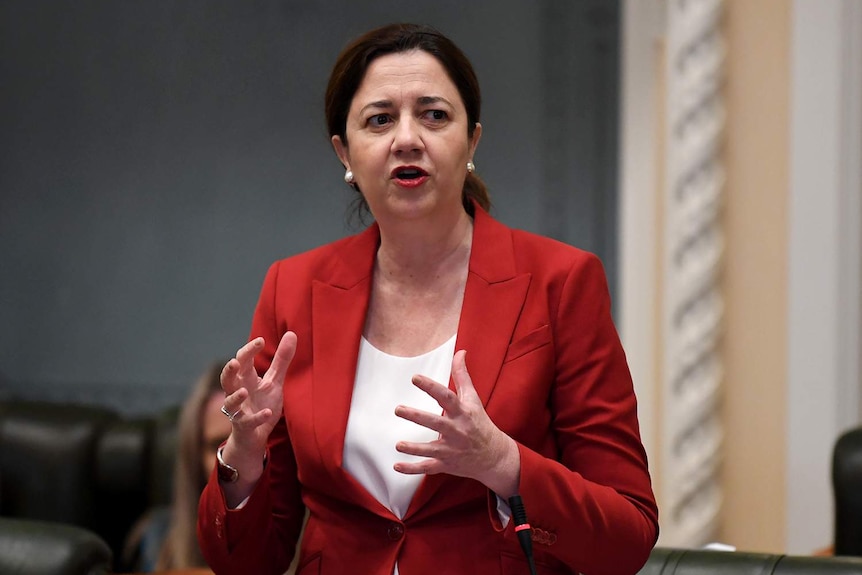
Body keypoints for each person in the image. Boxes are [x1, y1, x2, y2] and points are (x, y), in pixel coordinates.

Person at [197, 22, 658, 575]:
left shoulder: (560, 282)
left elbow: (628, 536)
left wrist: (504, 464)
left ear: (472, 142)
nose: (408, 138)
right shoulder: (293, 289)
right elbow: (246, 564)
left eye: (434, 114)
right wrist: (242, 459)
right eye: (380, 119)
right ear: (345, 152)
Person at [123, 361, 230, 572]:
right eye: (218, 445)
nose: (235, 459)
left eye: (249, 444)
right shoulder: (155, 540)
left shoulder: (310, 545)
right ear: (194, 456)